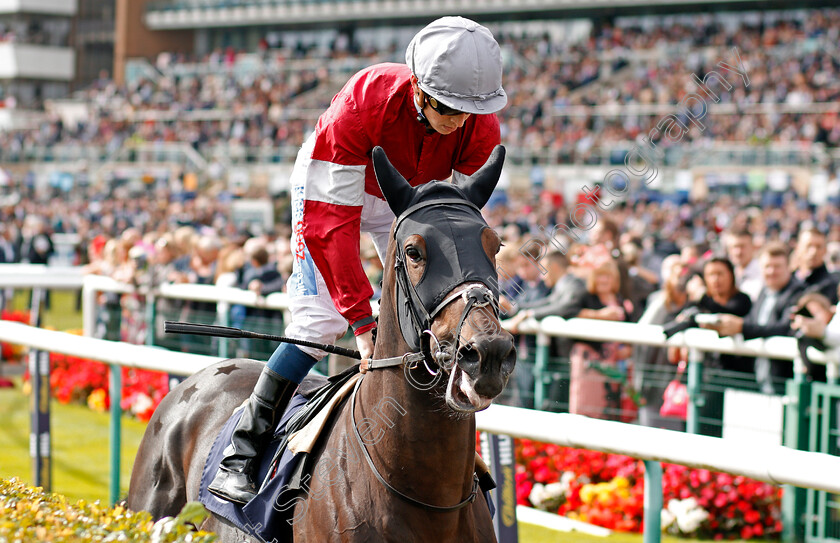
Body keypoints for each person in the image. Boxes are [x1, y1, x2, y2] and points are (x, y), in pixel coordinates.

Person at [208, 16, 507, 504]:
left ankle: (430, 440)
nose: (459, 120)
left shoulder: (478, 122)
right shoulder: (363, 100)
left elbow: (456, 229)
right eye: (450, 108)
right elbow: (332, 228)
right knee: (319, 324)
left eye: (470, 111)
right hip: (335, 187)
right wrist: (363, 325)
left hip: (406, 198)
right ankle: (244, 448)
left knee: (431, 307)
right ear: (420, 88)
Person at [703, 242, 805, 395]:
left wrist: (741, 327)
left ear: (788, 267)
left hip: (783, 382)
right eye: (767, 266)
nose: (771, 271)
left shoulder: (798, 293)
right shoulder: (764, 292)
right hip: (757, 379)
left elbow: (785, 327)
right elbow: (753, 322)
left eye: (777, 266)